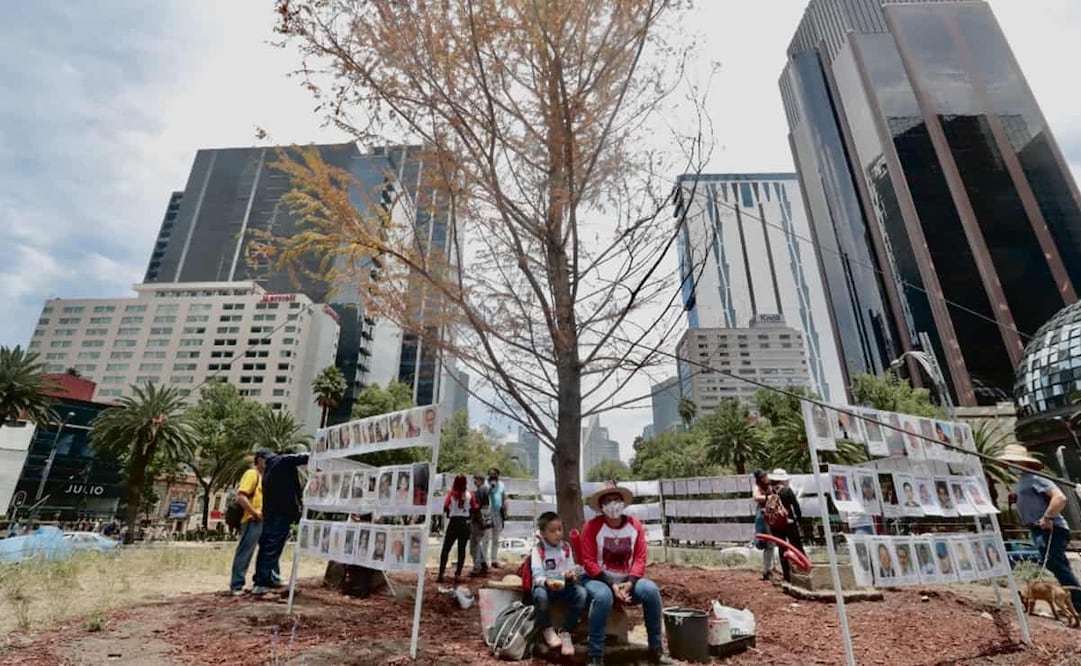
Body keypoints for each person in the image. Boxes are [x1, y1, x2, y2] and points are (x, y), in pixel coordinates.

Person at [579, 482, 672, 666]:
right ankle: (595, 655)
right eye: (607, 500)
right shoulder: (592, 527)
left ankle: (656, 650)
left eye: (616, 499)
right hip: (597, 580)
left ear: (623, 502)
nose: (613, 504)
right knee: (603, 597)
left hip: (627, 582)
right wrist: (611, 585)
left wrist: (629, 583)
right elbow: (588, 561)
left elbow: (640, 559)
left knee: (651, 591)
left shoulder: (634, 526)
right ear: (601, 506)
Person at [999, 444, 1081, 613]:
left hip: (1049, 528)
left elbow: (1060, 498)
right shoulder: (1022, 482)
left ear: (1023, 462)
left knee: (1055, 564)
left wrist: (1047, 517)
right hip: (1038, 529)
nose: (1010, 465)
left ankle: (1079, 603)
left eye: (1013, 461)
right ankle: (1072, 603)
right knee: (1059, 565)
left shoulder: (1036, 479)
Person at [251, 448, 310, 596]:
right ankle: (261, 583)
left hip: (270, 514)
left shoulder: (269, 470)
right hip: (280, 514)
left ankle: (263, 579)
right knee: (271, 548)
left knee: (266, 547)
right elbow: (302, 457)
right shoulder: (281, 461)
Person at [530, 512, 586, 658]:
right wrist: (546, 582)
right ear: (543, 533)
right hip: (546, 588)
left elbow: (572, 569)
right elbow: (537, 575)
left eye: (560, 529)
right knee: (539, 594)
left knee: (581, 593)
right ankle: (547, 629)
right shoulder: (538, 550)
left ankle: (566, 631)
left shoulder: (566, 548)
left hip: (563, 587)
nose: (558, 534)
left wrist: (571, 575)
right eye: (553, 531)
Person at [229, 450, 268, 596]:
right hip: (252, 519)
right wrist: (254, 512)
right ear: (258, 460)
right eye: (265, 459)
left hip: (263, 519)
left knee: (266, 551)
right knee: (245, 552)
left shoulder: (265, 477)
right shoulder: (252, 474)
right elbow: (241, 496)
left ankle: (266, 580)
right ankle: (237, 585)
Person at [438, 475, 477, 584]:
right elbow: (474, 507)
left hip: (454, 522)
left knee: (446, 548)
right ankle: (458, 574)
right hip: (465, 523)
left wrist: (450, 513)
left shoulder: (451, 493)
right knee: (461, 549)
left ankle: (441, 573)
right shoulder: (470, 494)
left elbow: (445, 506)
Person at [770, 469, 805, 584]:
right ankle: (804, 570)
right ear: (783, 480)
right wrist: (799, 521)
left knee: (782, 548)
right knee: (797, 546)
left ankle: (786, 575)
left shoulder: (770, 492)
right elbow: (796, 506)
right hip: (789, 523)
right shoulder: (787, 491)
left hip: (776, 525)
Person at [752, 469, 776, 580]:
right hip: (764, 516)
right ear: (761, 479)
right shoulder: (757, 487)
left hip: (772, 515)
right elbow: (756, 497)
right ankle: (767, 570)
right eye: (765, 477)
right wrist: (768, 498)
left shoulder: (770, 486)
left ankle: (769, 568)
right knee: (768, 543)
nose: (767, 478)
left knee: (771, 544)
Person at [469, 473, 491, 577]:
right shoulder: (487, 490)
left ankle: (477, 567)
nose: (474, 481)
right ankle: (483, 564)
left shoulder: (479, 491)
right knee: (477, 542)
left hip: (478, 520)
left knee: (474, 544)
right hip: (484, 519)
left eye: (476, 479)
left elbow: (476, 506)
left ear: (481, 480)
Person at [487, 467, 507, 567]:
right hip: (487, 514)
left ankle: (494, 560)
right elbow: (484, 495)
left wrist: (505, 512)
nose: (493, 475)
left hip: (498, 513)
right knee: (486, 537)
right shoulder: (486, 484)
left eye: (495, 473)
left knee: (496, 538)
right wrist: (491, 487)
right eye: (491, 473)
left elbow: (504, 497)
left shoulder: (502, 485)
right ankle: (484, 561)